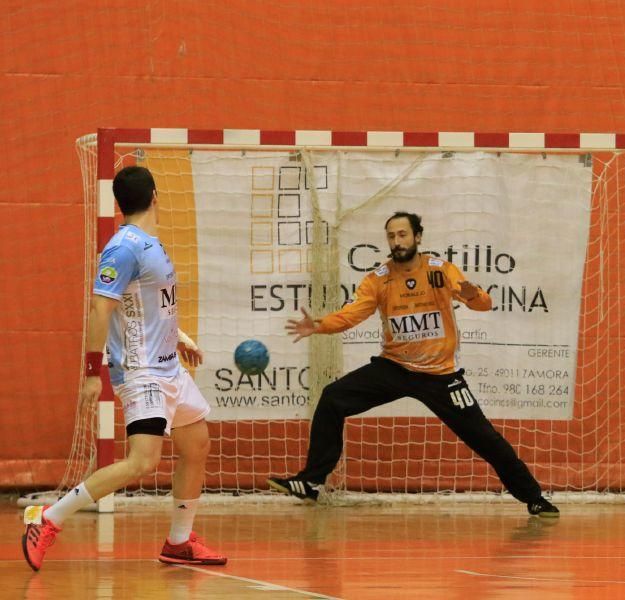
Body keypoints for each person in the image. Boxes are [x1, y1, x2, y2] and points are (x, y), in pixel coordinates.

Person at [267, 211, 559, 518]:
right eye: (392, 236)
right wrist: (320, 325)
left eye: (403, 234)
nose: (397, 241)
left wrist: (475, 296)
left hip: (440, 375)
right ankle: (310, 482)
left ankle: (534, 497)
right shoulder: (379, 279)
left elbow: (482, 303)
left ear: (417, 237)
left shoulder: (439, 270)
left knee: (486, 439)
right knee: (332, 398)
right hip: (394, 368)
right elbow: (352, 313)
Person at [22, 166, 226, 571]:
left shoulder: (148, 243)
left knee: (196, 444)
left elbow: (147, 306)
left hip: (169, 368)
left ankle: (179, 542)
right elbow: (101, 307)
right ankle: (47, 519)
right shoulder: (123, 247)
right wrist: (93, 372)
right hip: (142, 371)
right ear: (155, 195)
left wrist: (180, 337)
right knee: (142, 462)